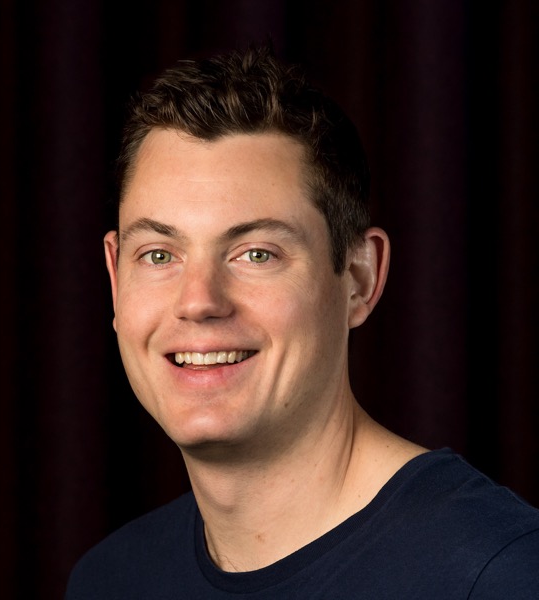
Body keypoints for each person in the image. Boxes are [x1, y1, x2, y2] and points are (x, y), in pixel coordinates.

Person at [65, 44, 539, 599]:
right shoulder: (109, 580)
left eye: (256, 254)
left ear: (360, 278)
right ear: (115, 279)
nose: (198, 301)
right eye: (159, 255)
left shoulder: (501, 574)